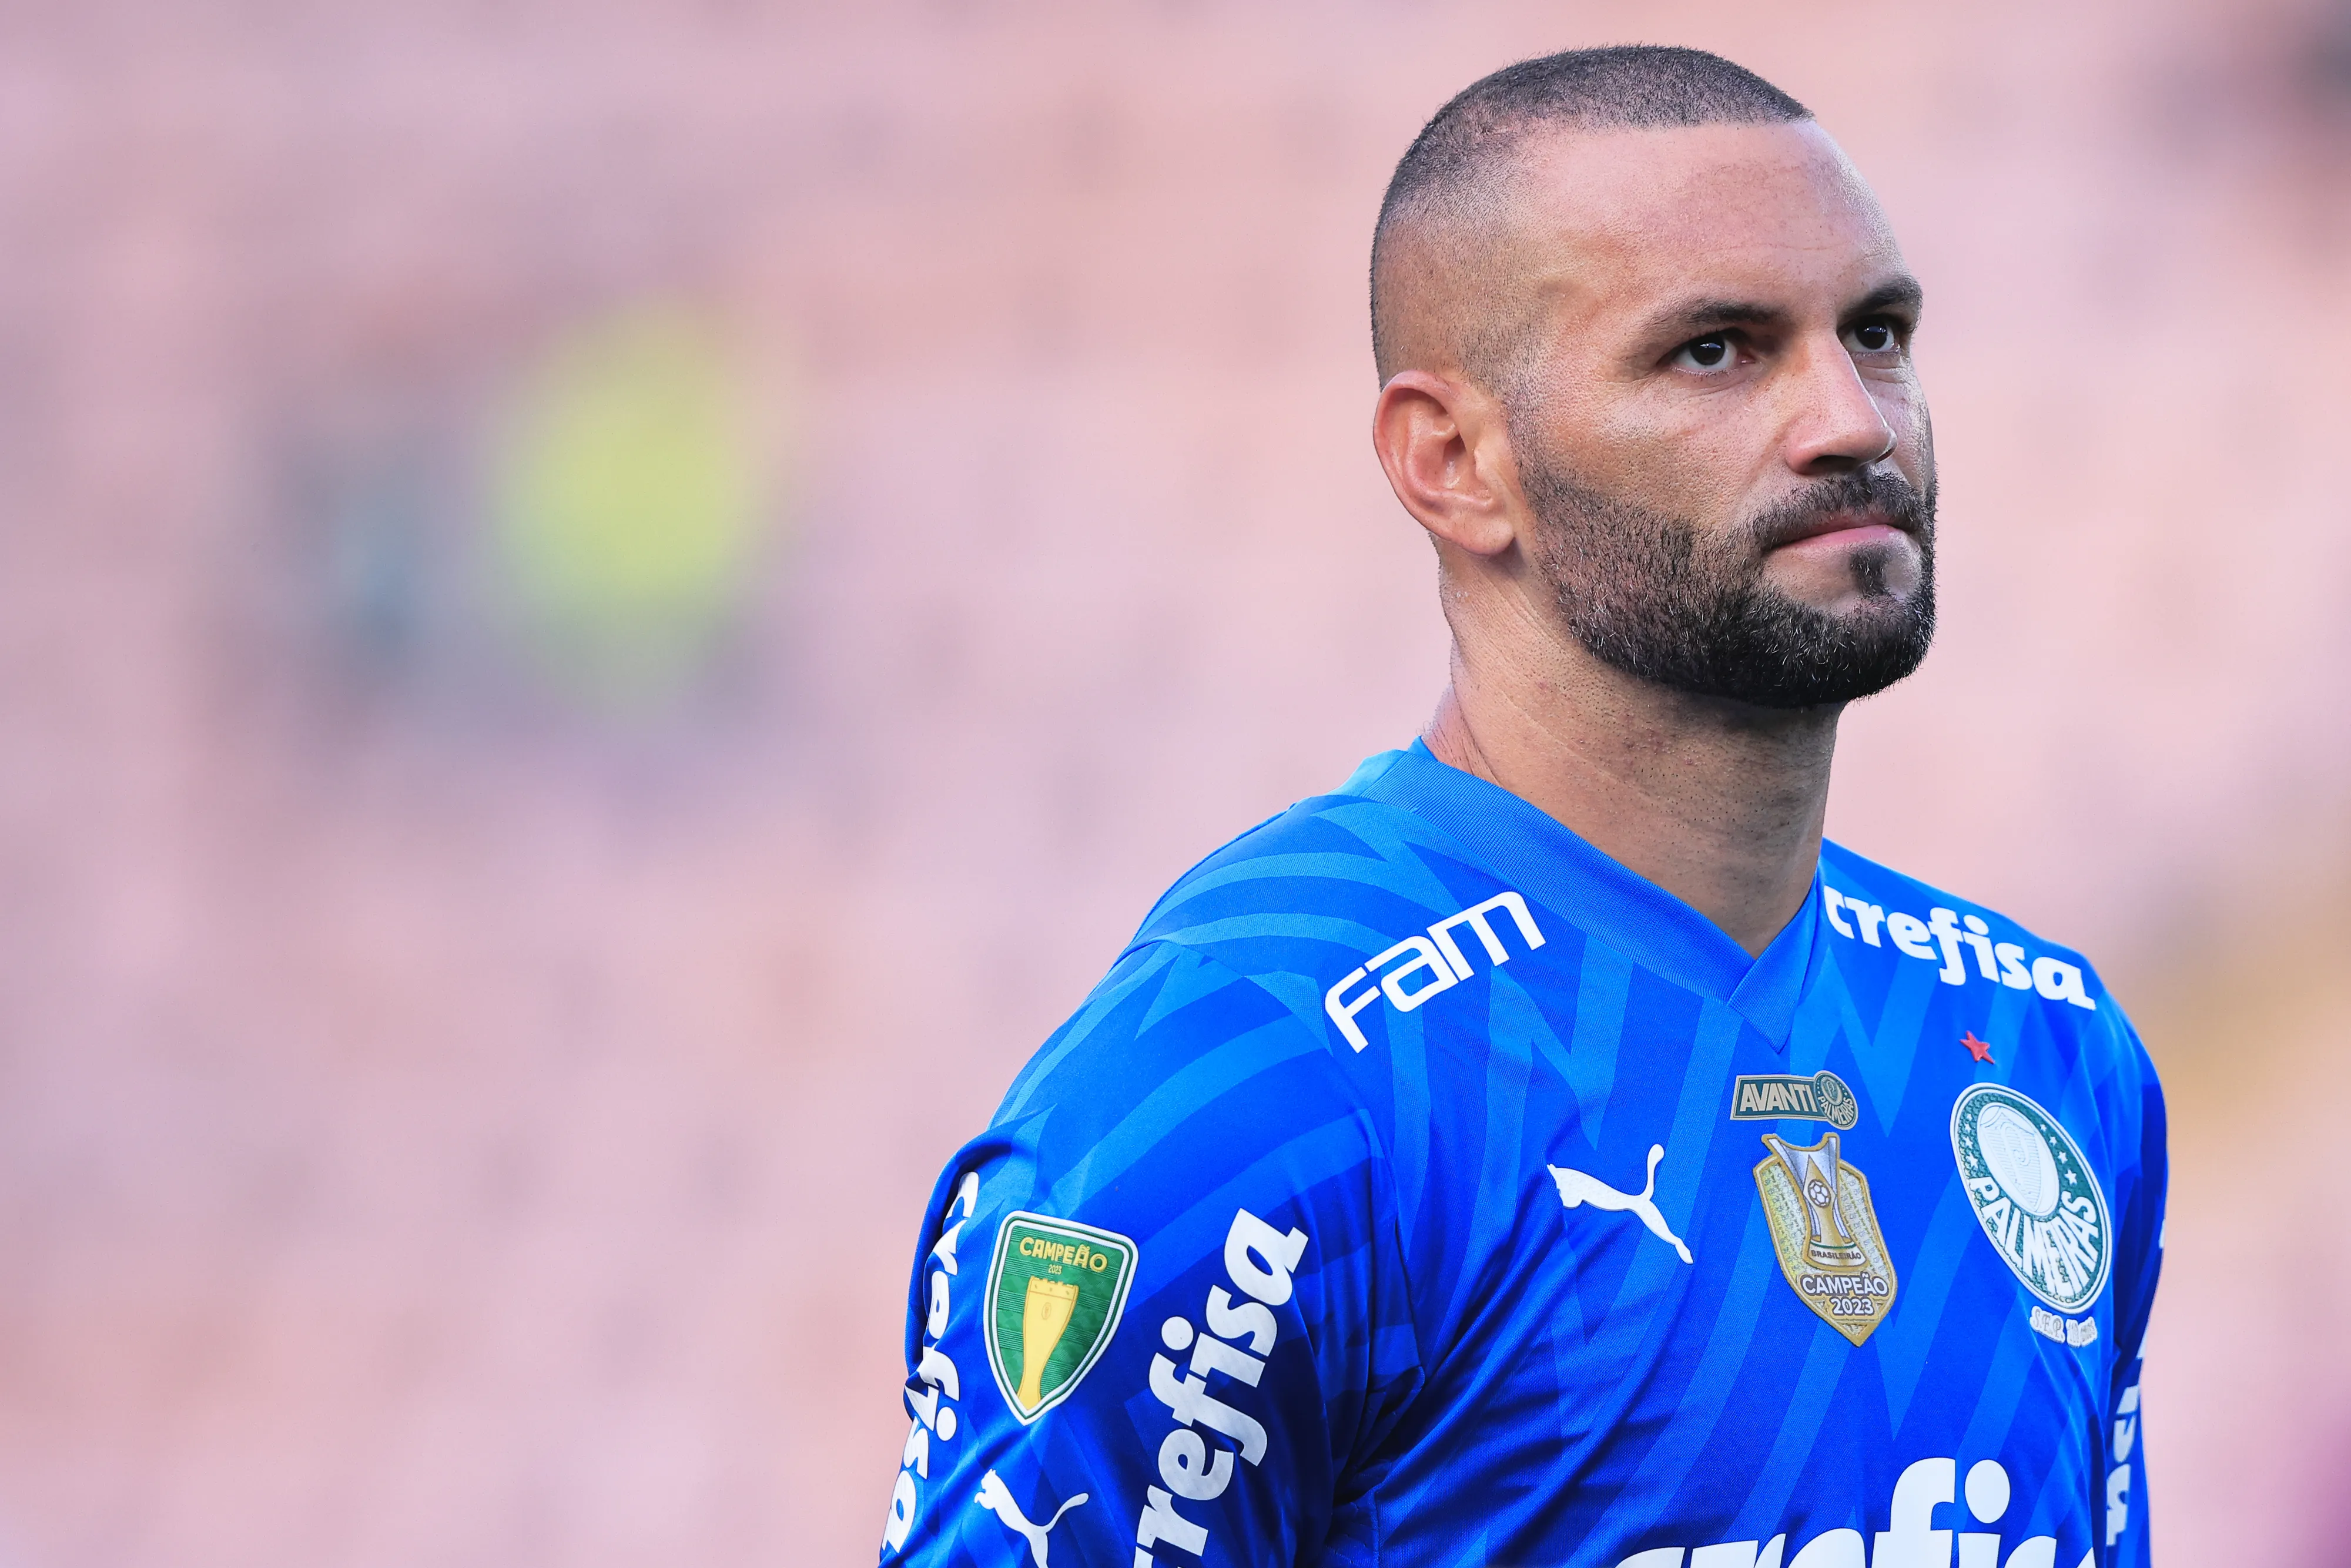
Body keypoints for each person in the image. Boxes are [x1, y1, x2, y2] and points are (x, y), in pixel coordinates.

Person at [876, 45, 2163, 1568]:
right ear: (1455, 462)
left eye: (1875, 333)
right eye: (1717, 351)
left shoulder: (2041, 1044)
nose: (1850, 419)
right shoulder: (1260, 1077)